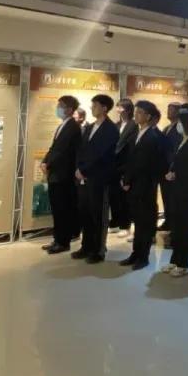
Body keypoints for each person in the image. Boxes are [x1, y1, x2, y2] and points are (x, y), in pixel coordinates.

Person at [118, 100, 167, 270]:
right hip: (134, 184)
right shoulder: (138, 134)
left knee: (145, 222)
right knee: (138, 221)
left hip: (144, 185)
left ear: (148, 116)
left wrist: (128, 180)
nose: (136, 115)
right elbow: (130, 160)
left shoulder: (151, 137)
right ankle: (135, 253)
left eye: (140, 112)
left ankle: (143, 256)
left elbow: (142, 163)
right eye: (136, 112)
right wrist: (125, 178)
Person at [72, 94, 120, 263]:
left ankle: (98, 250)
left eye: (95, 105)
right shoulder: (90, 127)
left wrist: (84, 169)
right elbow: (82, 150)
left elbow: (102, 154)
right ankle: (86, 246)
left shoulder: (111, 129)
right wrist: (78, 168)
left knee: (98, 214)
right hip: (84, 177)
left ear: (104, 108)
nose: (92, 108)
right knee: (85, 212)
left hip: (99, 178)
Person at [163, 108, 188, 276]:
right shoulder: (181, 141)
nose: (178, 125)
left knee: (186, 228)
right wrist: (172, 172)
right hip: (177, 189)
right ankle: (175, 259)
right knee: (177, 227)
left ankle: (184, 263)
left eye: (180, 122)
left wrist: (177, 174)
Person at [41, 95, 82, 254]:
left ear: (69, 109)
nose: (58, 108)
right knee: (57, 209)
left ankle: (63, 242)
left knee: (63, 209)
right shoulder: (62, 126)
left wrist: (48, 163)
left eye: (61, 106)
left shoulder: (73, 127)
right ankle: (57, 239)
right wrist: (45, 161)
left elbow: (62, 151)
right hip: (56, 174)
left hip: (64, 175)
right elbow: (53, 148)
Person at [109, 99, 137, 239]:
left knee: (124, 198)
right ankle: (116, 222)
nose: (118, 110)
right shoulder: (116, 125)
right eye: (118, 107)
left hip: (125, 164)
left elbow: (131, 148)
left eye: (121, 107)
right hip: (114, 165)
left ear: (128, 109)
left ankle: (125, 225)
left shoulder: (134, 125)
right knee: (114, 196)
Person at [158, 103, 182, 233]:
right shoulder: (167, 128)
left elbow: (176, 150)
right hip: (163, 169)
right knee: (166, 197)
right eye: (168, 109)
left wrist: (173, 168)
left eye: (171, 110)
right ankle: (167, 220)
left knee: (173, 199)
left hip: (172, 169)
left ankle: (173, 223)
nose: (168, 112)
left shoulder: (179, 128)